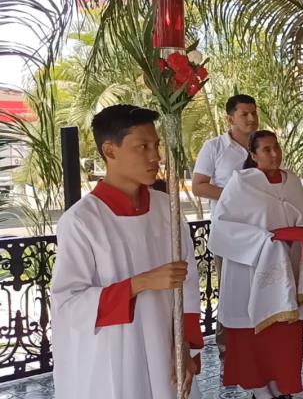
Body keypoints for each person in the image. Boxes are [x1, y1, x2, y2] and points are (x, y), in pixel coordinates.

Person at [51, 104, 202, 399]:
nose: (155, 156)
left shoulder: (167, 210)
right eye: (142, 146)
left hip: (167, 348)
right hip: (116, 355)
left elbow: (190, 282)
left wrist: (183, 342)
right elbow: (68, 303)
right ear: (110, 150)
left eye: (156, 145)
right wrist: (141, 283)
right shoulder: (82, 220)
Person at [209, 131, 303, 399]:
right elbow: (222, 228)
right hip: (250, 270)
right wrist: (267, 239)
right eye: (266, 150)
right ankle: (259, 387)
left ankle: (282, 384)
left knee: (285, 335)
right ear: (253, 155)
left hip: (289, 270)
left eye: (276, 148)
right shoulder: (241, 183)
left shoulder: (292, 181)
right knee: (252, 335)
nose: (274, 154)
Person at [192, 94, 257, 360]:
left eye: (254, 113)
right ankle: (227, 349)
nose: (251, 118)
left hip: (259, 232)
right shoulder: (214, 147)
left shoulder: (263, 145)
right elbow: (198, 185)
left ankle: (257, 343)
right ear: (231, 118)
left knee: (258, 287)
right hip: (228, 233)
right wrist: (235, 195)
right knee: (231, 289)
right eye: (245, 114)